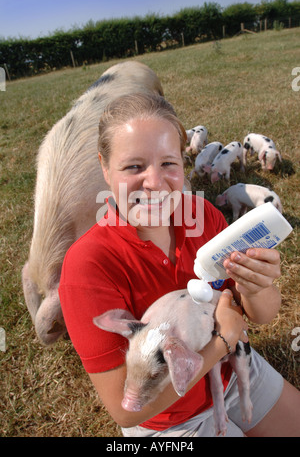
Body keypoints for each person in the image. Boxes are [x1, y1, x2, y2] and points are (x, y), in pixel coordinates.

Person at [58, 92, 300, 437]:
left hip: (234, 375)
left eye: (168, 163)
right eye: (134, 166)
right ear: (104, 167)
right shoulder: (87, 266)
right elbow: (126, 412)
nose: (155, 183)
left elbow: (261, 314)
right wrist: (223, 343)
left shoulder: (202, 215)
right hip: (169, 421)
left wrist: (256, 286)